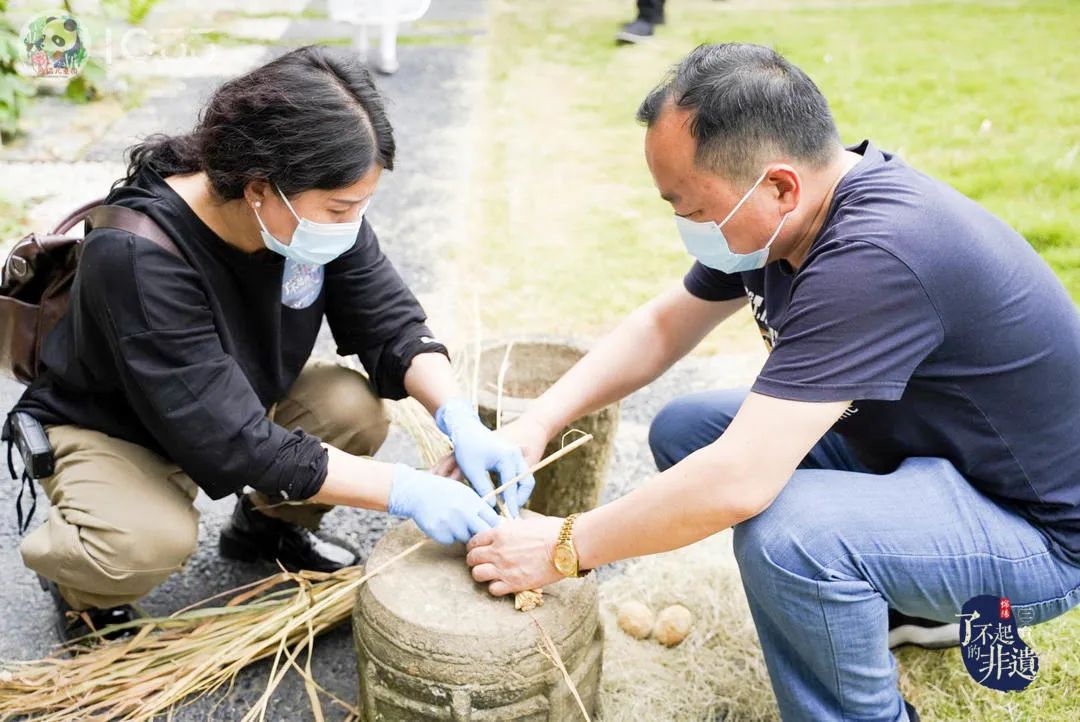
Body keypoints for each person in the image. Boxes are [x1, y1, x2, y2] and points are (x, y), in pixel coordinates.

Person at [458, 43, 1080, 721]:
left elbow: (738, 481)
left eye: (691, 210)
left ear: (780, 184)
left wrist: (563, 546)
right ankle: (911, 604)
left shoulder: (873, 257)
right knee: (688, 430)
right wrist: (537, 421)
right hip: (926, 456)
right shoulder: (787, 216)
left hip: (1038, 532)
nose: (686, 228)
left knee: (788, 538)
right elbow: (666, 326)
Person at [10, 45, 532, 642]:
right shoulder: (136, 253)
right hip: (116, 428)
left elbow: (390, 322)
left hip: (228, 399)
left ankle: (263, 529)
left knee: (350, 408)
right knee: (144, 542)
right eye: (341, 207)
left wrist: (460, 419)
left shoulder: (313, 217)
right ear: (260, 187)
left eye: (361, 205)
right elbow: (236, 443)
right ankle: (82, 583)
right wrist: (406, 490)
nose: (353, 222)